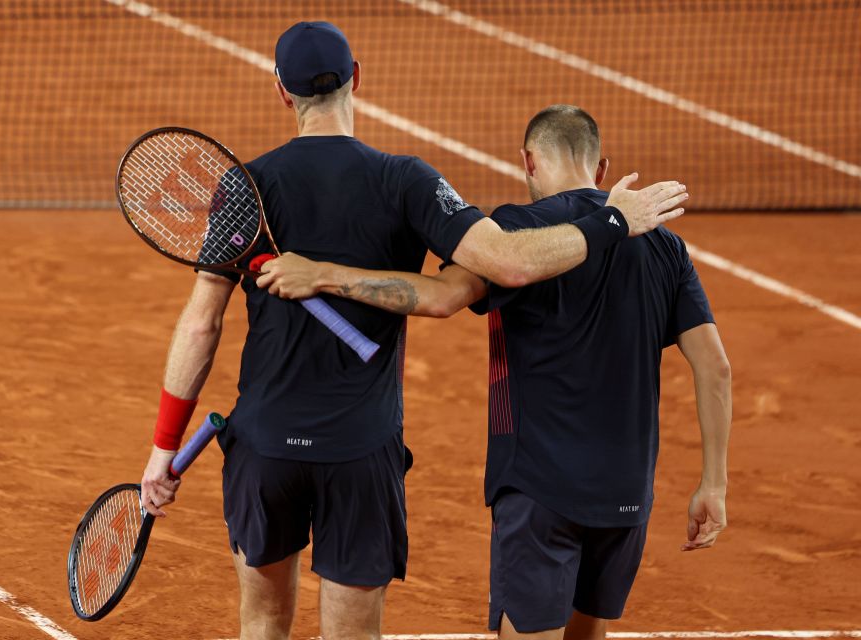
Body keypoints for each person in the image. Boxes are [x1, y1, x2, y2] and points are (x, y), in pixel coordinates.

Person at [138, 18, 688, 640]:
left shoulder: (244, 186)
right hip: (361, 449)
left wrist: (164, 450)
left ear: (282, 93)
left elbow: (201, 324)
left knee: (262, 622)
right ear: (357, 80)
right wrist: (611, 220)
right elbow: (508, 261)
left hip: (265, 445)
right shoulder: (407, 180)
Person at [258, 105, 731, 640]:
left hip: (538, 488)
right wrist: (713, 483)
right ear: (601, 169)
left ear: (528, 161)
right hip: (626, 493)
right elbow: (714, 366)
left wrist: (321, 274)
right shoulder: (664, 245)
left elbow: (439, 298)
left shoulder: (513, 230)